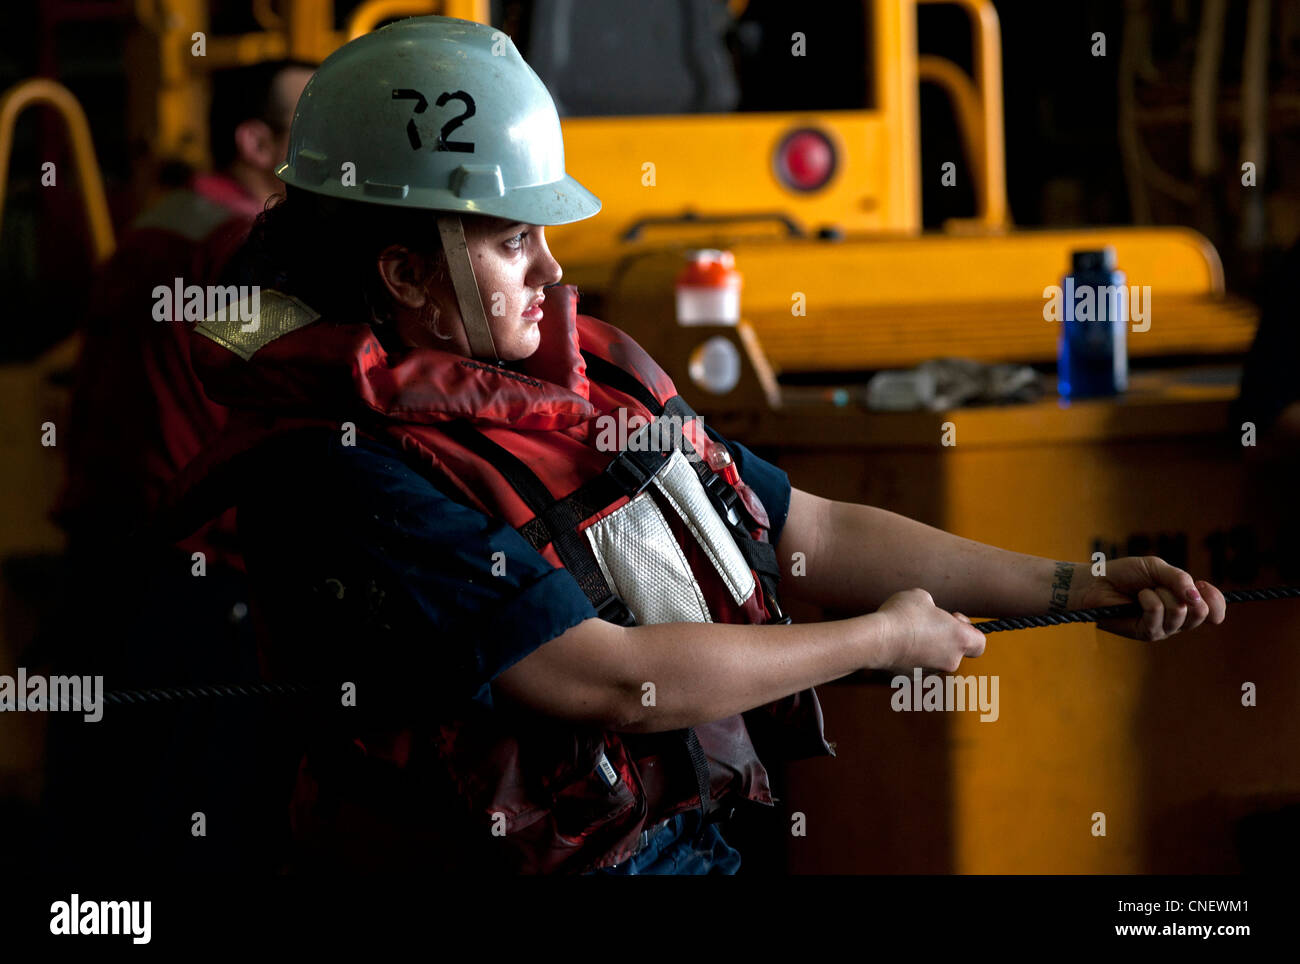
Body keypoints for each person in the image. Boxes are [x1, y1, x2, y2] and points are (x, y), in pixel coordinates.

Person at [167, 17, 1227, 875]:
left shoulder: (593, 377)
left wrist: (1073, 587)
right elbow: (609, 680)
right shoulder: (345, 471)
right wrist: (879, 640)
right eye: (506, 241)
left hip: (675, 845)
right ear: (402, 272)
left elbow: (806, 526)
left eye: (541, 232)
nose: (547, 270)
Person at [43, 59, 314, 873]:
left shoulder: (169, 220)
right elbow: (298, 373)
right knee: (200, 804)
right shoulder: (247, 244)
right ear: (255, 140)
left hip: (113, 537)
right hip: (201, 557)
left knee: (107, 792)